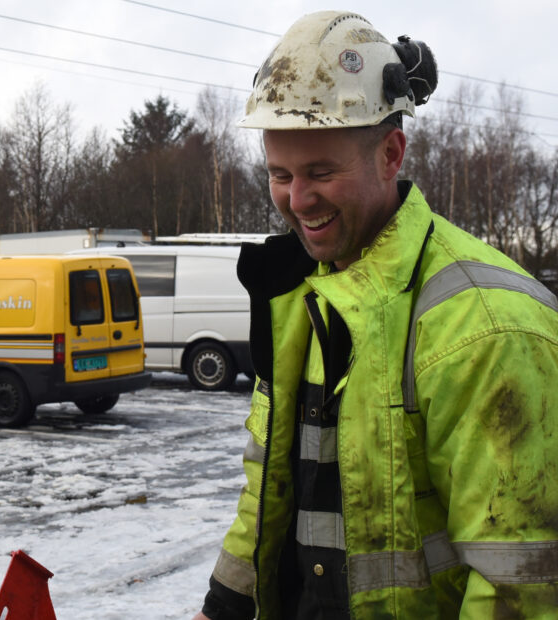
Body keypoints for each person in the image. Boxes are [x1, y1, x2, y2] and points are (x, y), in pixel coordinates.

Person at [193, 10, 558, 619]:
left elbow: (520, 585)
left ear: (391, 153)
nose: (297, 200)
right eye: (279, 175)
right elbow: (269, 490)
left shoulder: (488, 326)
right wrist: (223, 605)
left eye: (320, 173)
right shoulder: (302, 298)